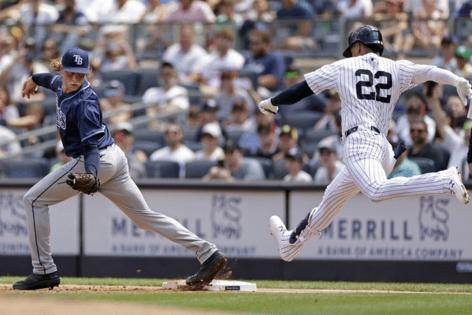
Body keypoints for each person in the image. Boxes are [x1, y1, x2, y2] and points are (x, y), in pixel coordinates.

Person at [13, 48, 227, 290]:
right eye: (71, 73)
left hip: (97, 160)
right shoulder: (61, 83)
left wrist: (92, 175)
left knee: (33, 200)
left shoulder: (85, 103)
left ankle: (44, 271)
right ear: (61, 69)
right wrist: (33, 79)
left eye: (80, 75)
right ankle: (208, 253)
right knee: (145, 217)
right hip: (114, 158)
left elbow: (91, 146)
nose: (75, 79)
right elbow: (48, 80)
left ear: (88, 74)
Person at [258, 25, 471, 262]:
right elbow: (430, 71)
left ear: (358, 46)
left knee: (376, 191)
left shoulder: (344, 66)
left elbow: (302, 89)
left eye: (352, 49)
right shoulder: (396, 67)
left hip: (360, 143)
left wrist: (272, 101)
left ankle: (444, 180)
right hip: (382, 148)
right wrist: (456, 80)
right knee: (329, 203)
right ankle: (291, 244)